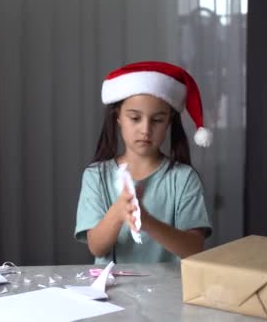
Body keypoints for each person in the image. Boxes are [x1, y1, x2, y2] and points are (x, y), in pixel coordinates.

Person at [74, 61, 213, 264]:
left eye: (157, 120)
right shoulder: (96, 176)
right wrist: (119, 211)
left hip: (167, 293)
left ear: (168, 123)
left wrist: (146, 221)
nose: (145, 130)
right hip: (113, 291)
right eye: (135, 118)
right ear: (118, 118)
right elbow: (96, 247)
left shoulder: (183, 178)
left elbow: (194, 249)